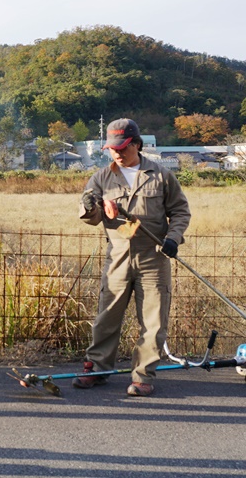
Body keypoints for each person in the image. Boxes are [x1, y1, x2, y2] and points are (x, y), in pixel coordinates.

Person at [74, 118, 191, 397]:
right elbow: (92, 217)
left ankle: (143, 376)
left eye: (123, 147)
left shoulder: (161, 176)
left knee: (153, 321)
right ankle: (97, 368)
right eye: (112, 149)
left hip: (154, 257)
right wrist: (90, 207)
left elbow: (180, 211)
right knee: (107, 317)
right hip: (117, 258)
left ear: (137, 144)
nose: (117, 153)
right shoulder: (101, 178)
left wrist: (173, 238)